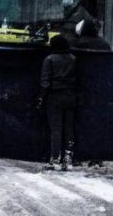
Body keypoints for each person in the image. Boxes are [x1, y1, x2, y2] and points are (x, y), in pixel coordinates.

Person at [38, 33, 77, 171]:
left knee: (55, 128)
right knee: (69, 128)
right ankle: (68, 159)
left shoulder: (49, 59)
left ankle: (55, 158)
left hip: (54, 96)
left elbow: (45, 81)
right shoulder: (73, 59)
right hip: (71, 96)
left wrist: (41, 97)